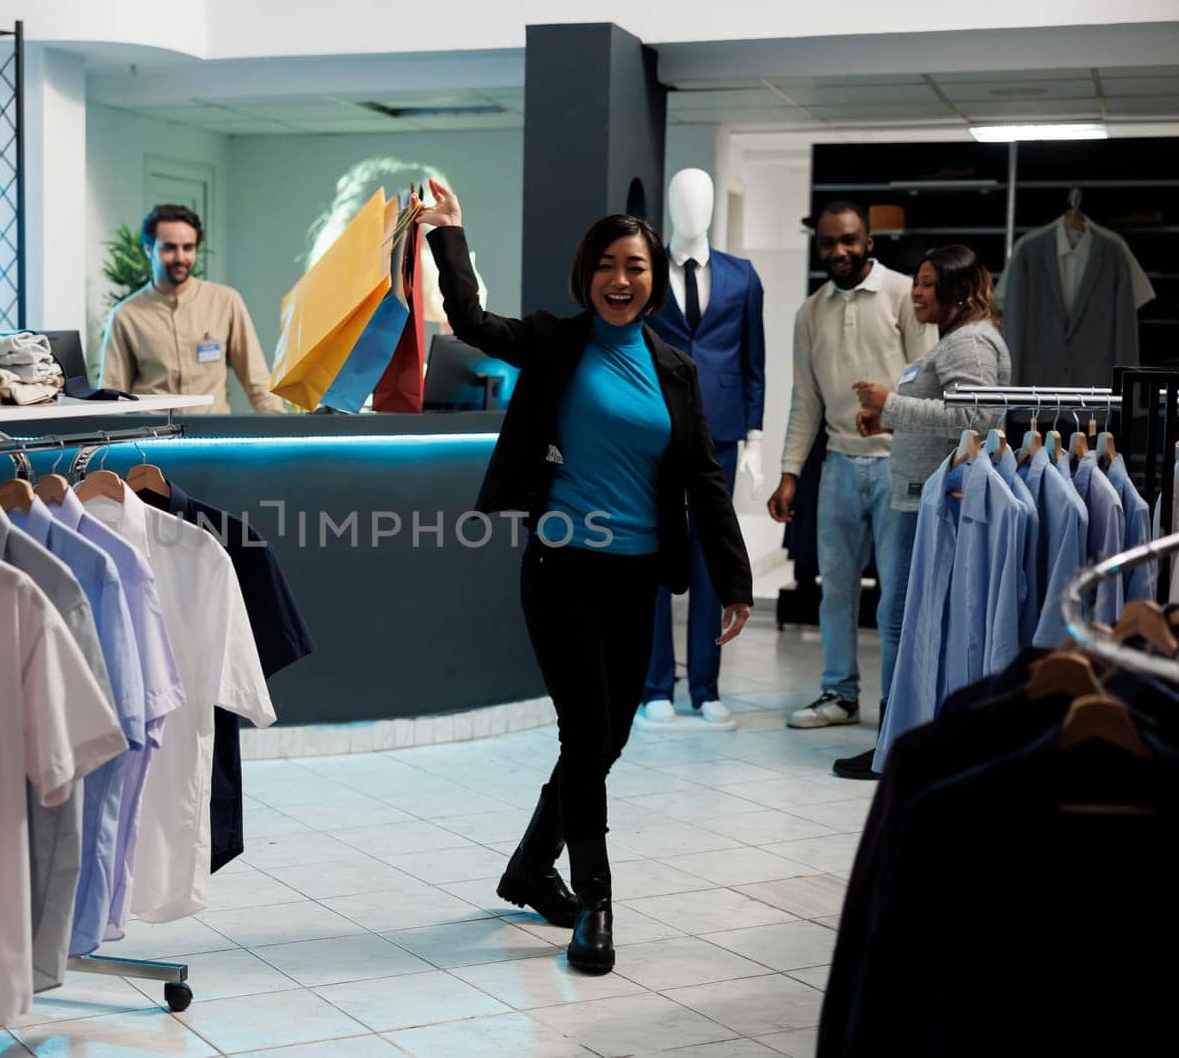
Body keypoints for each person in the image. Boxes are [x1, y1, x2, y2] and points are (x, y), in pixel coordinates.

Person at [416, 180, 752, 975]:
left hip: (636, 575)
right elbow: (467, 321)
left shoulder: (674, 368)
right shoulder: (556, 341)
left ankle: (530, 865)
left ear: (654, 275)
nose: (620, 279)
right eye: (606, 264)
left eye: (635, 265)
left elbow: (703, 475)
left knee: (610, 738)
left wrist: (733, 579)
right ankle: (595, 902)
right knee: (585, 731)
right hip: (561, 566)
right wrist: (451, 237)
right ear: (587, 273)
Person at [829, 245, 1010, 778]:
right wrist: (892, 423)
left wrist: (890, 404)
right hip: (923, 496)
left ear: (956, 288)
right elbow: (953, 416)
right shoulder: (957, 340)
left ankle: (897, 746)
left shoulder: (970, 342)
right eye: (917, 282)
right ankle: (905, 738)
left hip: (932, 502)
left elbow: (976, 416)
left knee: (903, 621)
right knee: (904, 620)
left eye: (928, 283)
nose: (917, 292)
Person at [768, 201, 934, 732]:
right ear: (818, 246)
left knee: (896, 595)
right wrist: (790, 472)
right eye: (828, 242)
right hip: (839, 463)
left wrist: (896, 425)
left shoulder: (902, 295)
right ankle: (839, 693)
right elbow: (805, 402)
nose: (838, 251)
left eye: (849, 240)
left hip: (898, 464)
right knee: (834, 589)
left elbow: (927, 385)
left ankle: (897, 706)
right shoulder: (810, 312)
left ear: (868, 241)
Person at [95, 204, 282, 414]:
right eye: (169, 248)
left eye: (188, 247)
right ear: (149, 250)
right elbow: (112, 396)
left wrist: (283, 430)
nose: (180, 257)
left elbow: (256, 380)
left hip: (212, 439)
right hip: (154, 441)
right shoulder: (126, 315)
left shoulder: (226, 302)